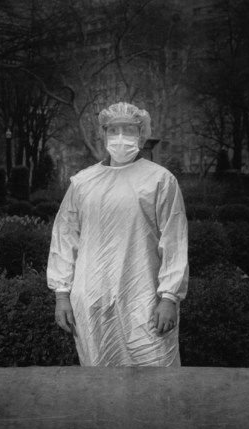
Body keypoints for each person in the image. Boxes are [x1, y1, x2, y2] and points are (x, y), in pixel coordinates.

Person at [47, 102, 189, 367]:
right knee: (100, 378)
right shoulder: (83, 182)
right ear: (102, 134)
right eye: (114, 130)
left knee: (156, 375)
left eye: (130, 129)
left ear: (142, 133)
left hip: (144, 298)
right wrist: (62, 294)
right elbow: (65, 239)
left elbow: (174, 240)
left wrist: (169, 297)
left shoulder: (160, 180)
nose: (121, 137)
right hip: (92, 299)